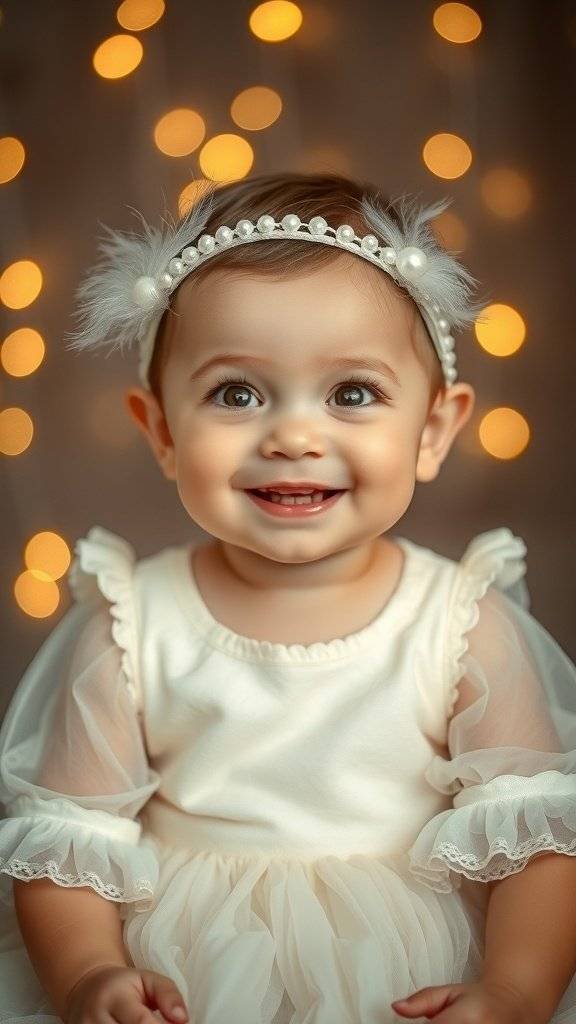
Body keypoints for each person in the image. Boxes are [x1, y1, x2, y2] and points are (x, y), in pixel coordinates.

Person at [1, 171, 575, 1024]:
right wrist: (88, 973)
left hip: (407, 966)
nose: (295, 436)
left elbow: (539, 844)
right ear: (161, 430)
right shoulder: (132, 624)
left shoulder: (461, 623)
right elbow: (65, 855)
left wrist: (516, 991)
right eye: (237, 393)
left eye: (352, 393)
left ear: (433, 430)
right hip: (188, 967)